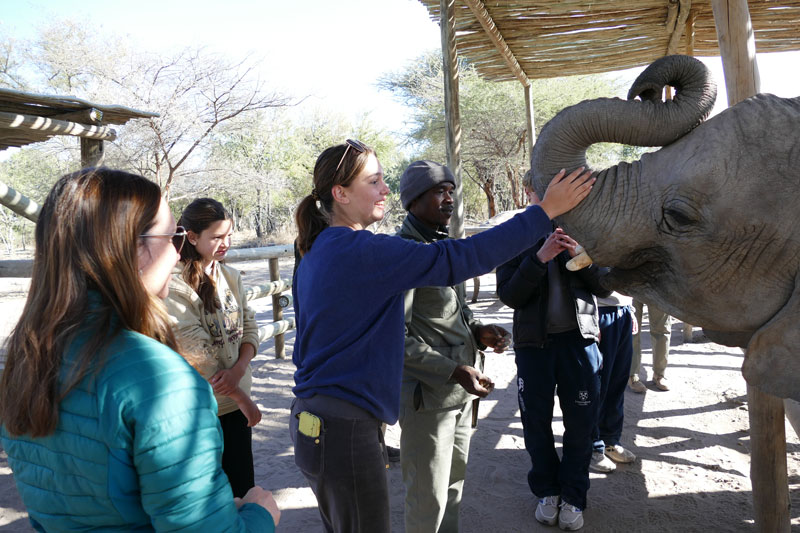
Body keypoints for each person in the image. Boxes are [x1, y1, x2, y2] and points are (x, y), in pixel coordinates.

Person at [291, 139, 594, 532]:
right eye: (375, 181)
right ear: (340, 193)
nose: (385, 189)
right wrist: (544, 212)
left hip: (322, 420)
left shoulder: (317, 250)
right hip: (345, 424)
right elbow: (457, 260)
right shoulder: (359, 249)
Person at [0, 168, 279, 531]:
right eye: (172, 238)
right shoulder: (160, 379)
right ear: (131, 249)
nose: (178, 255)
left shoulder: (25, 361)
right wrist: (260, 515)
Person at [397, 160, 511, 532]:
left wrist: (479, 331)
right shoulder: (405, 255)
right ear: (414, 200)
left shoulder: (441, 247)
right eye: (439, 192)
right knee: (427, 498)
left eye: (451, 191)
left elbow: (453, 312)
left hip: (459, 395)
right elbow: (396, 338)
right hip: (427, 401)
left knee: (453, 489)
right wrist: (452, 370)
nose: (449, 199)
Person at [496, 173, 609, 531]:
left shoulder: (583, 227)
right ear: (529, 191)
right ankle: (547, 492)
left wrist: (582, 256)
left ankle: (574, 497)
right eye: (538, 190)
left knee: (581, 425)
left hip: (580, 345)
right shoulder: (514, 233)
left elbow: (604, 285)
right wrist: (539, 258)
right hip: (534, 348)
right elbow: (510, 295)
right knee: (535, 423)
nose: (546, 196)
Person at [164, 197, 261, 498]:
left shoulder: (229, 276)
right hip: (202, 410)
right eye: (217, 237)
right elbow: (198, 354)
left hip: (236, 404)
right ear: (192, 237)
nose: (225, 243)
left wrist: (239, 372)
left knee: (241, 493)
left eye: (229, 234)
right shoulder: (175, 285)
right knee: (209, 497)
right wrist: (239, 395)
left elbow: (249, 328)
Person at [589, 293, 638, 473]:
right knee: (596, 385)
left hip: (621, 310)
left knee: (618, 380)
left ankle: (610, 440)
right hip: (599, 311)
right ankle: (592, 447)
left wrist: (629, 309)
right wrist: (591, 317)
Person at [629, 301, 672, 392]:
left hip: (659, 288)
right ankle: (632, 375)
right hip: (631, 288)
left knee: (662, 329)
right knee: (632, 330)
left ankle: (659, 374)